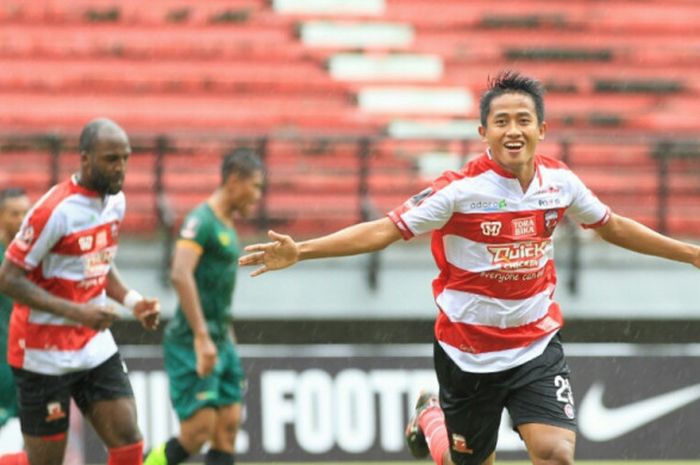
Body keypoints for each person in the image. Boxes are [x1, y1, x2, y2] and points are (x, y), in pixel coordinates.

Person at [238, 71, 700, 465]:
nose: (513, 130)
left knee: (557, 453)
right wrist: (302, 250)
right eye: (501, 121)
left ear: (542, 128)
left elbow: (612, 226)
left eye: (523, 120)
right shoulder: (458, 191)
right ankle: (430, 415)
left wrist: (692, 254)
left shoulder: (561, 184)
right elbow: (383, 230)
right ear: (484, 132)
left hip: (534, 344)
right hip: (467, 353)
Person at [0, 118, 160, 465]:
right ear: (85, 159)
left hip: (92, 344)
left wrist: (133, 301)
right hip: (42, 351)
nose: (120, 169)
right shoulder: (53, 212)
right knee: (44, 461)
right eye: (111, 159)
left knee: (128, 440)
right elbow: (8, 278)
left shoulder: (115, 204)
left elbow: (98, 264)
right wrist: (79, 312)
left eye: (125, 159)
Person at [144, 148, 263, 465]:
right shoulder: (202, 220)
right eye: (255, 186)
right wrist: (201, 336)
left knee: (227, 430)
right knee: (197, 433)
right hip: (191, 340)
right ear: (235, 181)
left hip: (221, 339)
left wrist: (227, 339)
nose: (257, 195)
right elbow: (180, 274)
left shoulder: (226, 225)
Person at [0, 189, 31, 438]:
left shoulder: (36, 257)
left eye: (25, 213)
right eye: (14, 213)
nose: (22, 219)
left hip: (30, 362)